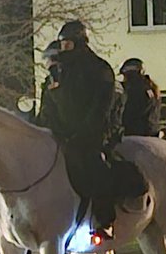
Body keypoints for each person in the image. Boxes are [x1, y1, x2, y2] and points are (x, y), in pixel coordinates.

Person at [39, 20, 122, 234]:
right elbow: (52, 107)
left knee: (94, 166)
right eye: (62, 45)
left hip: (93, 134)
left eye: (67, 44)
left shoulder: (98, 69)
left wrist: (83, 134)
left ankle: (105, 220)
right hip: (63, 134)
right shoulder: (61, 72)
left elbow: (100, 108)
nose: (63, 49)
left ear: (79, 42)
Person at [119, 58, 161, 138]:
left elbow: (129, 114)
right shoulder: (151, 89)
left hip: (135, 134)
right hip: (153, 134)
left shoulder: (135, 90)